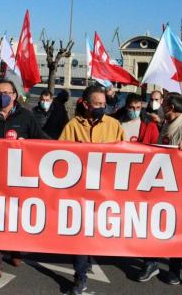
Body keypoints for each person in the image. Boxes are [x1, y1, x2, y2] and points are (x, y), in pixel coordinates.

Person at [0, 79, 47, 285]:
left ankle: (15, 248)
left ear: (15, 95)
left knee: (15, 218)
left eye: (6, 92)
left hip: (19, 180)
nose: (2, 96)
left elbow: (42, 141)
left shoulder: (26, 117)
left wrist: (30, 145)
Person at [59, 85, 124, 294]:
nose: (101, 107)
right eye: (97, 104)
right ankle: (80, 276)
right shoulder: (72, 126)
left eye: (103, 104)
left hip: (105, 192)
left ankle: (86, 262)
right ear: (86, 104)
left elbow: (126, 156)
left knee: (94, 233)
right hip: (79, 192)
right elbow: (60, 155)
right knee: (80, 234)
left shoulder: (114, 125)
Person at [136, 92, 182, 286]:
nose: (159, 105)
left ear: (171, 108)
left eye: (163, 103)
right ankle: (151, 262)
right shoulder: (167, 123)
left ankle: (175, 269)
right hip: (162, 185)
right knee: (155, 226)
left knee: (177, 230)